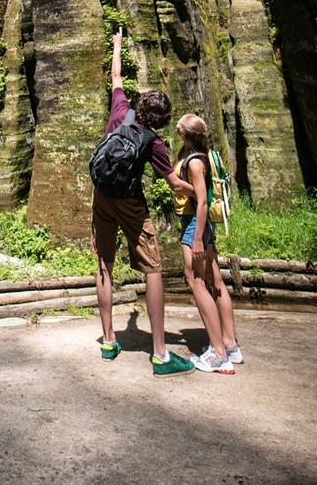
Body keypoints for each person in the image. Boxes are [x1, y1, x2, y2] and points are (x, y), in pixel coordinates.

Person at [92, 29, 196, 376]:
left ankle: (108, 341)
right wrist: (200, 192)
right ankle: (160, 354)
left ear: (139, 107)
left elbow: (116, 76)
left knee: (104, 264)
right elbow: (175, 185)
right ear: (164, 121)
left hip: (102, 197)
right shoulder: (155, 143)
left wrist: (118, 43)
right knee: (153, 270)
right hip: (131, 203)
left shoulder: (121, 110)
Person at [173, 113, 243, 374]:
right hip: (201, 225)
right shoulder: (204, 155)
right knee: (216, 281)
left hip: (195, 224)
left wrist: (198, 238)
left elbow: (201, 202)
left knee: (195, 281)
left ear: (184, 134)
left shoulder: (194, 163)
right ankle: (230, 345)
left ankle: (217, 353)